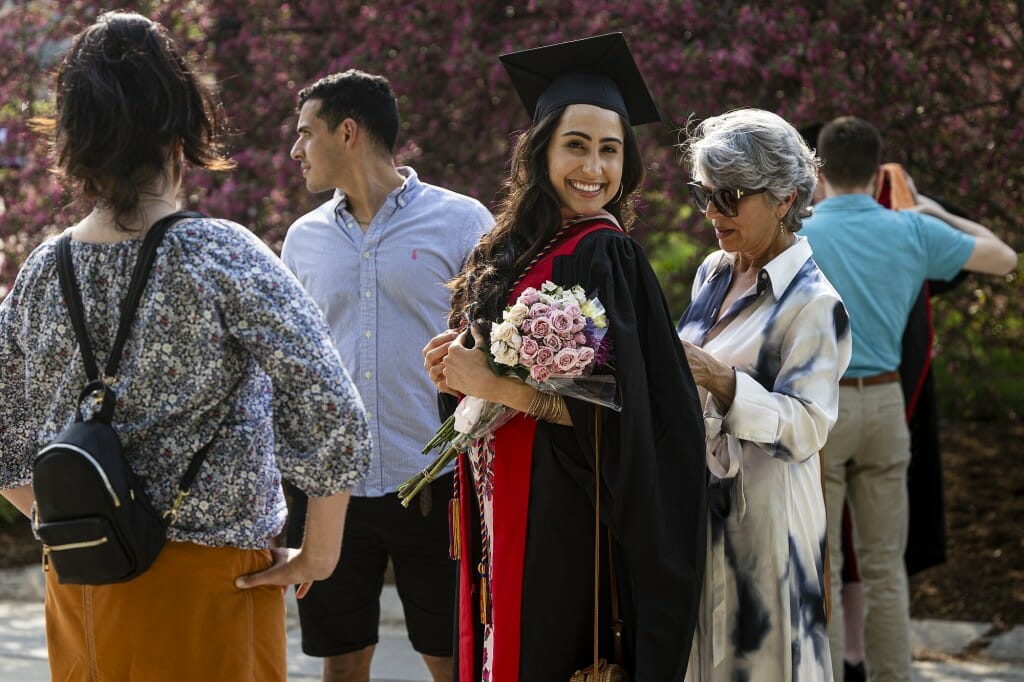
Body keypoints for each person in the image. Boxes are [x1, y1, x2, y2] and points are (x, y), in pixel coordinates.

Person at [0, 12, 372, 681]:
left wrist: (78, 514)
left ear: (75, 141)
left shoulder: (40, 270)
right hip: (214, 583)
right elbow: (329, 405)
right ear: (180, 134)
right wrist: (320, 553)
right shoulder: (219, 254)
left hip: (80, 576)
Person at [421, 33, 707, 681]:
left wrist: (496, 383)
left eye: (610, 150)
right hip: (500, 500)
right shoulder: (514, 248)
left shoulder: (606, 252)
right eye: (576, 145)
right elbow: (487, 377)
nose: (594, 167)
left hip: (563, 518)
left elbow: (624, 408)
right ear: (540, 148)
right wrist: (454, 370)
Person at [281, 69, 493, 682]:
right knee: (340, 662)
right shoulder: (302, 239)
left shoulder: (462, 222)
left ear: (347, 132)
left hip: (437, 484)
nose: (296, 151)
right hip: (332, 492)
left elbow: (498, 344)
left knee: (453, 661)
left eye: (305, 134)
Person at [801, 115, 1018, 682]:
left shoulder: (799, 232)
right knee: (884, 569)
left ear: (818, 173)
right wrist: (933, 211)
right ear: (879, 175)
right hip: (887, 408)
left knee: (822, 567)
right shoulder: (909, 230)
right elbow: (1004, 258)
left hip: (822, 410)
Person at [676, 108, 851, 682]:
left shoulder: (816, 304)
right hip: (700, 510)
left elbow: (806, 428)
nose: (710, 213)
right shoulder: (714, 271)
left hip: (768, 523)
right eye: (704, 193)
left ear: (784, 199)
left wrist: (723, 382)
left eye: (729, 196)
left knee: (766, 666)